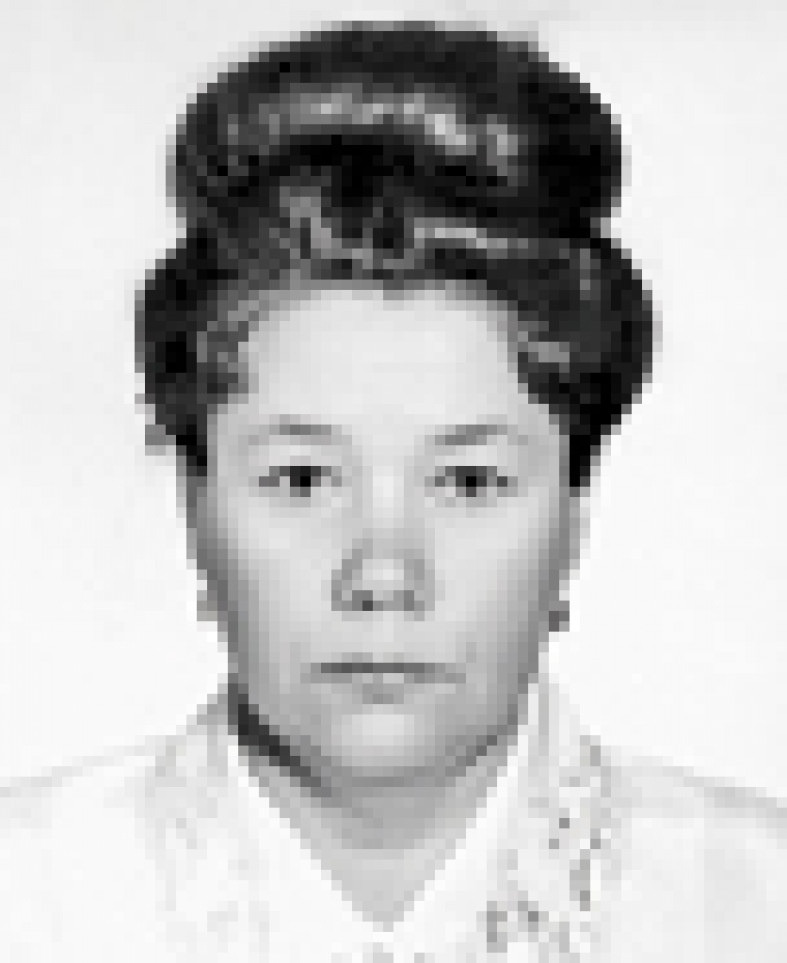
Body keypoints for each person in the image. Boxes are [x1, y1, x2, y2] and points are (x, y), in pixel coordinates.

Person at [1, 20, 785, 963]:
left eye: (468, 481)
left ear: (573, 513)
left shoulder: (754, 905)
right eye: (300, 479)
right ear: (194, 506)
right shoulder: (28, 897)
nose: (382, 575)